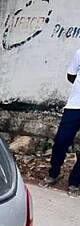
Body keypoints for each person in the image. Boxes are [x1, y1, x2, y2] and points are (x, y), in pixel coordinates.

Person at [42, 48, 80, 194]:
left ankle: (75, 182)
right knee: (61, 141)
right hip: (75, 105)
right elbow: (71, 75)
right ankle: (54, 173)